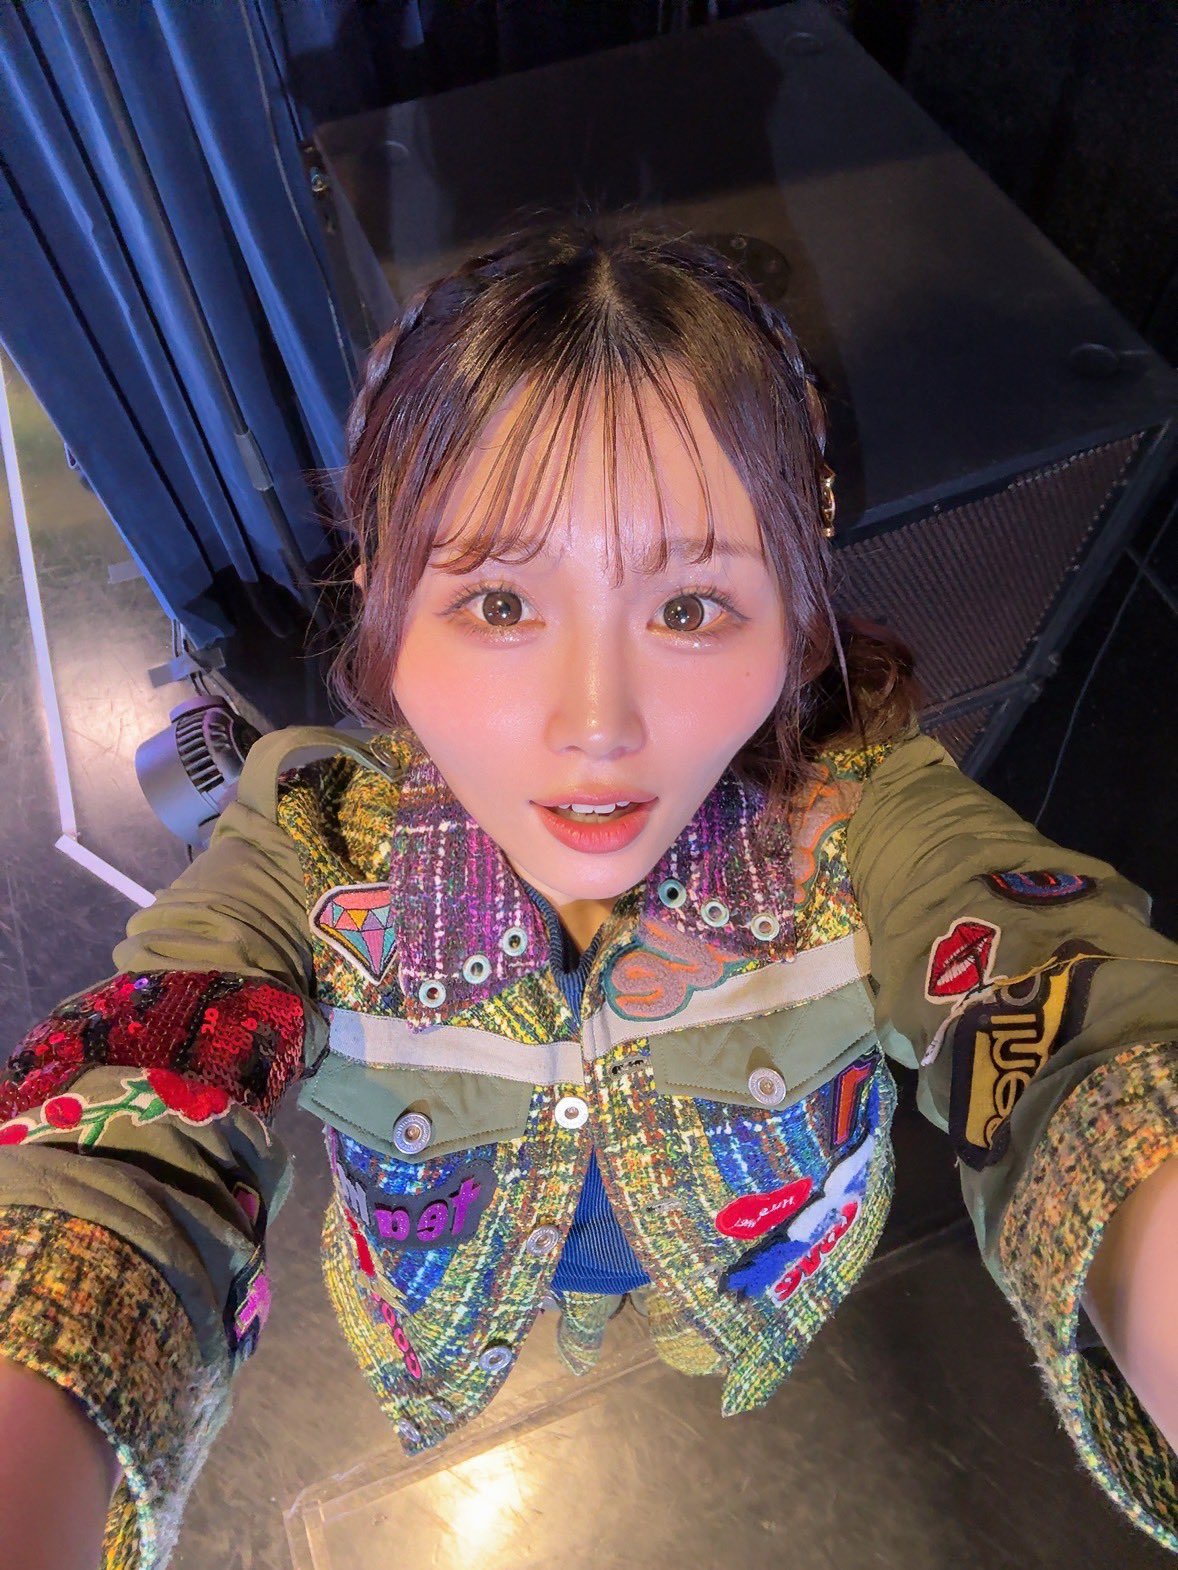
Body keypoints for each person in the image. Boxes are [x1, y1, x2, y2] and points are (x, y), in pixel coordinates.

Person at [1, 214, 1175, 1570]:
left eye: (688, 607)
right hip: (453, 1281)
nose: (598, 724)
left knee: (688, 1321)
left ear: (795, 621)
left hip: (754, 1260)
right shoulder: (319, 848)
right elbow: (138, 1099)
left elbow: (1065, 1012)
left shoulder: (856, 816)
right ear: (385, 604)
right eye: (501, 605)